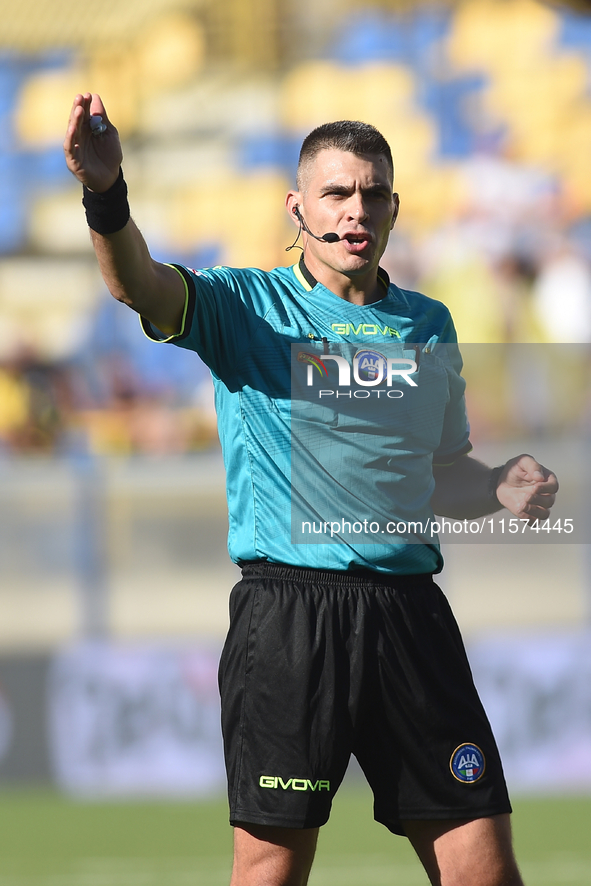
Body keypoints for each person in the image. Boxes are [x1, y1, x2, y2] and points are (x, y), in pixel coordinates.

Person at [64, 93, 558, 886]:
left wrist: (496, 486)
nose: (354, 209)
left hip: (411, 618)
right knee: (268, 874)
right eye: (335, 193)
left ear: (394, 207)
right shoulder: (245, 307)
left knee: (484, 871)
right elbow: (139, 286)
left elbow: (438, 474)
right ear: (297, 208)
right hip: (291, 618)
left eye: (371, 193)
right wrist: (105, 193)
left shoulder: (426, 324)